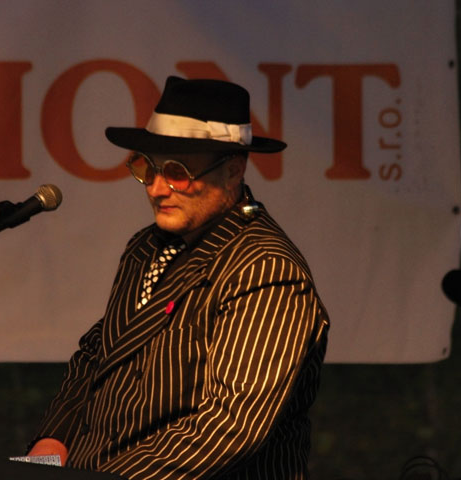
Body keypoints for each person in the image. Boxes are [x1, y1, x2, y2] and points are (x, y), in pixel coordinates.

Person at [27, 76, 329, 479]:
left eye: (177, 172)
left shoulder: (265, 269)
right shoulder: (146, 246)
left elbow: (229, 426)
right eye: (146, 168)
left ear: (233, 170)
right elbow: (99, 353)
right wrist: (54, 437)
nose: (156, 188)